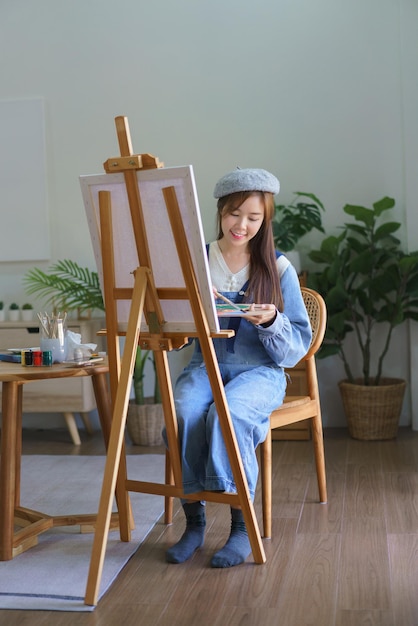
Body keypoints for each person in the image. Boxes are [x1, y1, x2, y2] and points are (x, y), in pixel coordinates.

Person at [165, 167, 312, 568]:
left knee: (226, 415)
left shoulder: (278, 267)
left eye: (253, 217)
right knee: (183, 411)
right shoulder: (198, 261)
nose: (241, 225)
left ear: (265, 220)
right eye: (234, 214)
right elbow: (175, 323)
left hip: (261, 372)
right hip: (205, 363)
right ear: (220, 211)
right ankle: (193, 524)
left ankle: (240, 526)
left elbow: (295, 347)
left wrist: (270, 321)